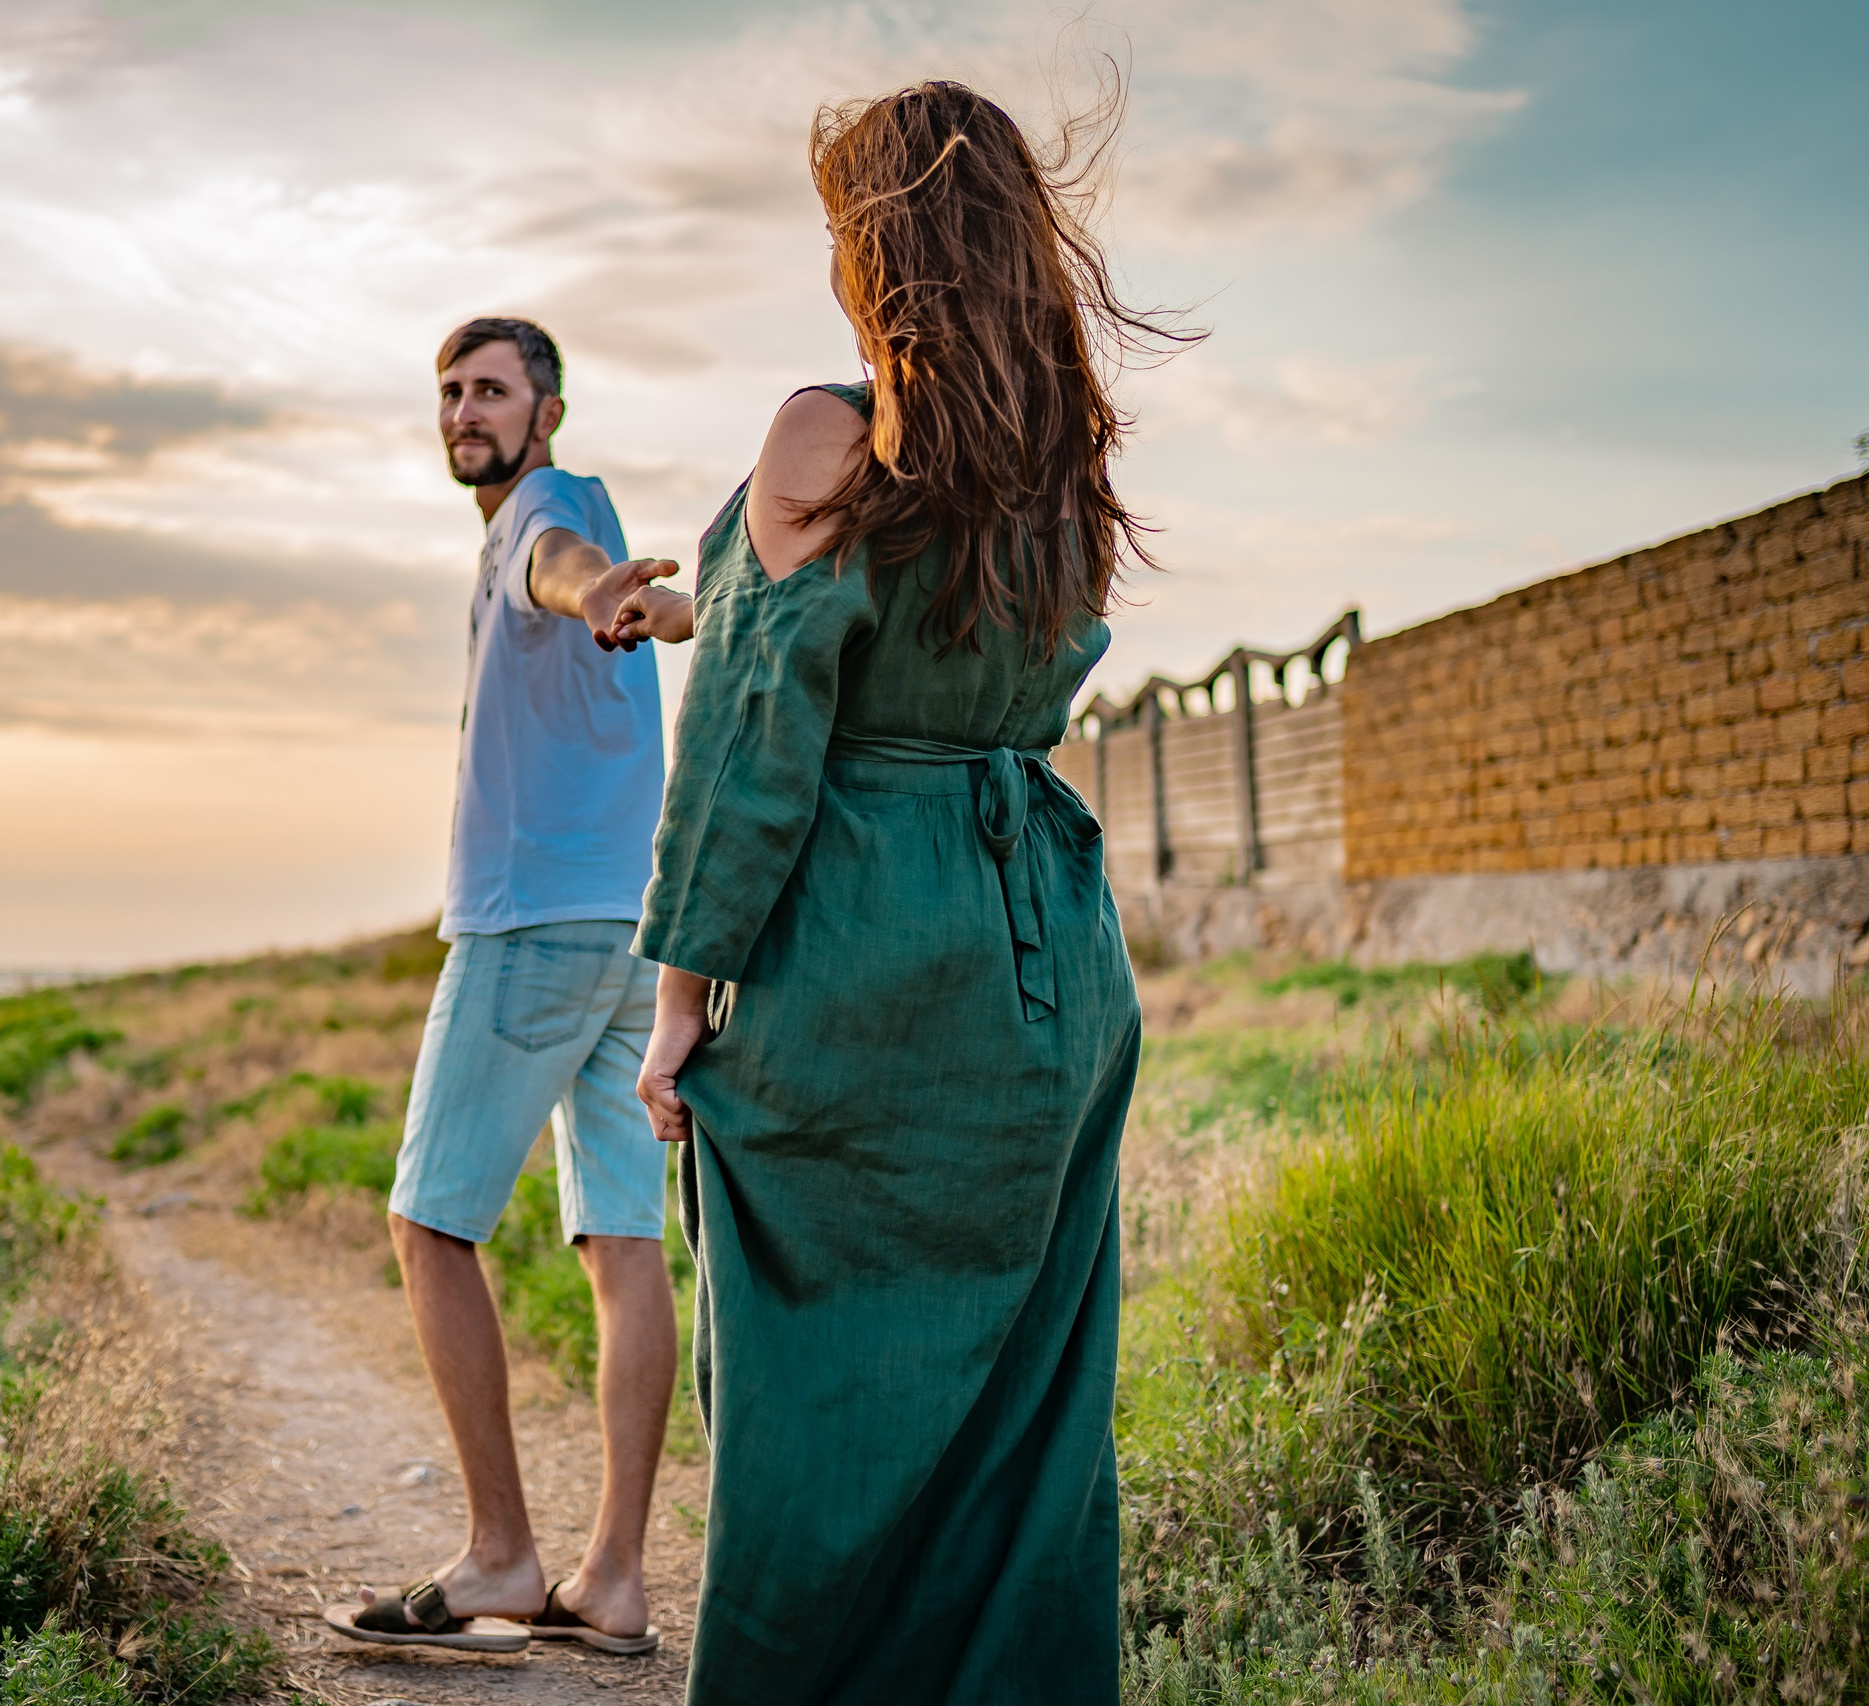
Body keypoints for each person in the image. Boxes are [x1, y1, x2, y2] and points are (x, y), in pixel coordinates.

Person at [610, 82, 1169, 1703]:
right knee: (1025, 1429)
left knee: (814, 1432)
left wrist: (677, 1002)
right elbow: (900, 637)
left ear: (887, 249)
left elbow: (753, 746)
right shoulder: (1060, 460)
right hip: (1049, 966)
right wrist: (700, 596)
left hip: (865, 955)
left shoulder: (821, 431)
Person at [325, 317, 688, 1658]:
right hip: (634, 931)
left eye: (490, 389)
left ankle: (497, 1556)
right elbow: (625, 591)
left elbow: (562, 570)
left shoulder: (543, 516)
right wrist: (655, 605)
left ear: (548, 408)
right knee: (619, 1243)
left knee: (431, 1226)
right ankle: (613, 1583)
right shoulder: (583, 514)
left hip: (531, 923)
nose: (463, 410)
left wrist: (592, 592)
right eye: (450, 391)